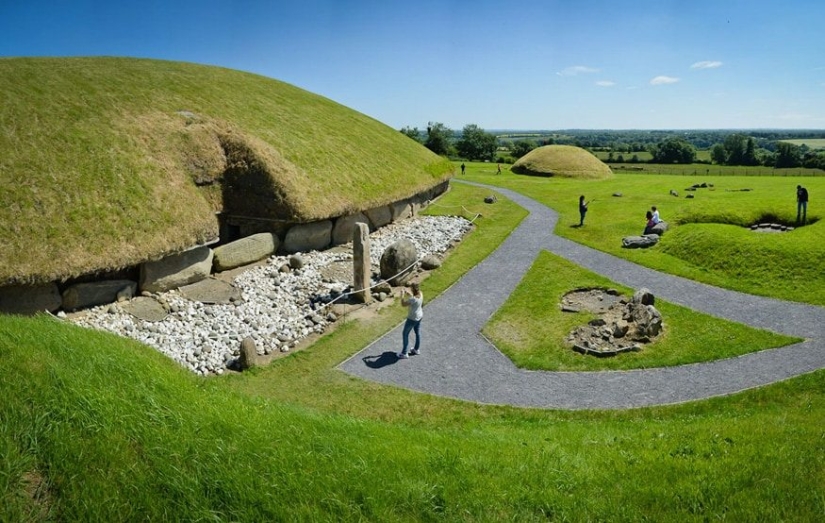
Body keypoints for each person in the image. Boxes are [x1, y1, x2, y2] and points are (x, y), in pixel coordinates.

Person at [397, 282, 424, 359]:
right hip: (419, 316)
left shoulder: (413, 299)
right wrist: (409, 294)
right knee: (417, 332)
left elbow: (403, 304)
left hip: (412, 319)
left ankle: (404, 353)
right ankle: (416, 349)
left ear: (412, 289)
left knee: (405, 334)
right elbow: (415, 299)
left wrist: (402, 295)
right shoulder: (421, 293)